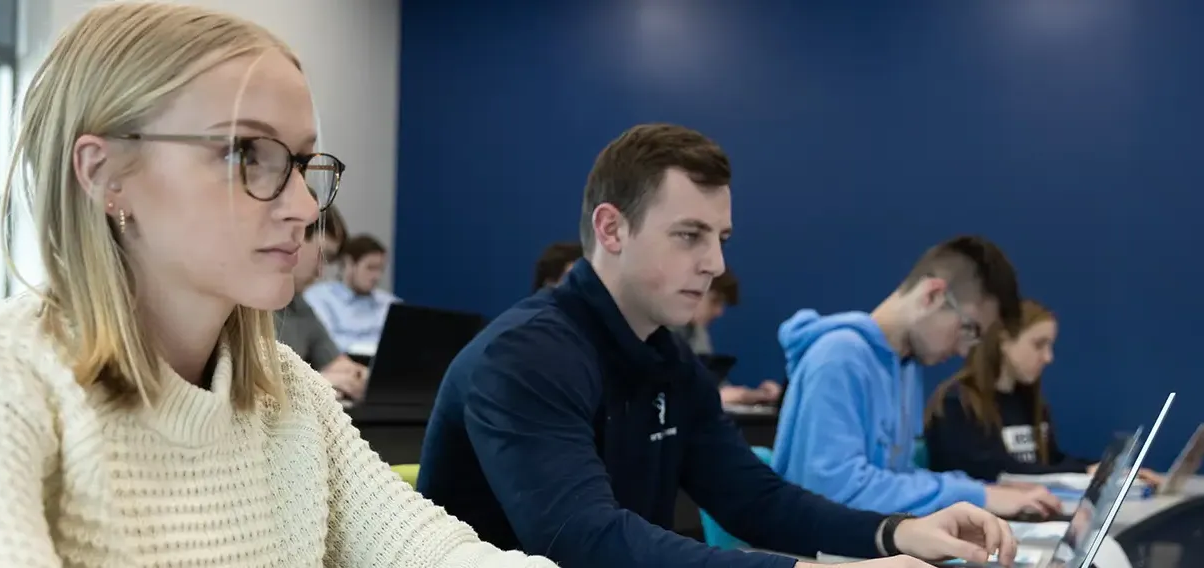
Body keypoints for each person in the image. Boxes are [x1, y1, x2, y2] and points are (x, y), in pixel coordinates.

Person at [0, 3, 557, 566]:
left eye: (303, 163)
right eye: (244, 153)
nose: (305, 209)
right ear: (106, 177)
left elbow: (438, 554)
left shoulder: (288, 395)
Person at [418, 123, 1018, 568]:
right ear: (611, 229)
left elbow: (753, 499)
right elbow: (585, 542)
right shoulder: (526, 356)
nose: (715, 263)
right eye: (689, 236)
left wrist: (898, 533)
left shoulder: (667, 357)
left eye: (721, 237)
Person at [771, 236, 1063, 520]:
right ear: (933, 296)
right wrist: (979, 497)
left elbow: (897, 478)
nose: (965, 350)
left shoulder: (906, 367)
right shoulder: (838, 357)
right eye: (970, 329)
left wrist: (983, 491)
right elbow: (834, 490)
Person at [923, 299, 1164, 485]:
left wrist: (1107, 471)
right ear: (1004, 341)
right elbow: (996, 470)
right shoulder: (958, 403)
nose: (1048, 358)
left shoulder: (1029, 402)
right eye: (1039, 345)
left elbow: (1050, 461)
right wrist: (1084, 472)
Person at [278, 204, 368, 400]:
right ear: (296, 237)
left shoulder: (297, 304)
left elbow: (336, 364)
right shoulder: (244, 306)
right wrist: (318, 382)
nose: (320, 272)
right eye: (322, 255)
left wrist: (357, 376)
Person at [674, 271, 783, 406]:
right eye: (714, 301)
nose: (719, 312)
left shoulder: (698, 333)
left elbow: (712, 384)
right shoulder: (654, 334)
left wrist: (754, 395)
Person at [305, 233, 398, 354]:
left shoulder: (389, 303)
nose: (377, 276)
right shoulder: (320, 298)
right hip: (338, 364)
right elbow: (323, 343)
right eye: (370, 268)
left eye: (381, 269)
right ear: (349, 264)